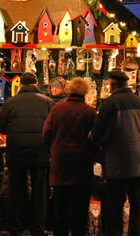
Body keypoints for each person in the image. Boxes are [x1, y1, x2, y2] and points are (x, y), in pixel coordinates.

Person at [89, 70, 140, 236]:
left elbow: (98, 133)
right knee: (136, 203)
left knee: (115, 204)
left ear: (112, 85)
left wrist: (91, 138)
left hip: (119, 161)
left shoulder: (111, 104)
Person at [0, 72, 53, 236]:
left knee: (16, 192)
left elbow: (0, 127)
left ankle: (15, 228)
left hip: (17, 152)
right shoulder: (48, 102)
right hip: (40, 152)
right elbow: (53, 127)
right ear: (36, 84)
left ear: (20, 85)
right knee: (39, 192)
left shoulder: (10, 102)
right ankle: (38, 228)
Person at [43, 77, 97, 236]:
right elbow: (96, 138)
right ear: (84, 92)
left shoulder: (57, 110)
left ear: (68, 90)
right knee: (80, 211)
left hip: (61, 165)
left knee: (60, 210)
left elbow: (46, 135)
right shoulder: (90, 111)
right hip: (82, 165)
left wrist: (53, 150)